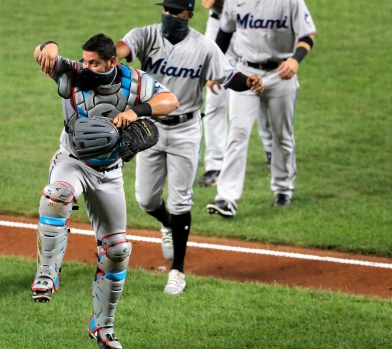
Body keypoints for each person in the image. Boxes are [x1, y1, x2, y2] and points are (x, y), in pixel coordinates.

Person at [32, 33, 179, 349]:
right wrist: (50, 47)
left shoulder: (136, 81)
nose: (87, 67)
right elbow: (42, 51)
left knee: (117, 252)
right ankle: (47, 274)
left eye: (94, 62)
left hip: (109, 173)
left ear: (112, 61)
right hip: (72, 161)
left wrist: (137, 110)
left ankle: (103, 327)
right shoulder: (72, 74)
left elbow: (171, 100)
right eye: (85, 60)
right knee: (57, 194)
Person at [116, 0, 263, 294]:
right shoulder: (146, 35)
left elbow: (229, 75)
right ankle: (169, 224)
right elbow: (124, 48)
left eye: (175, 11)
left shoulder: (204, 46)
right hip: (150, 127)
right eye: (166, 9)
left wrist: (248, 81)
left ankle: (177, 272)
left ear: (189, 15)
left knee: (181, 200)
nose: (169, 15)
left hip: (186, 130)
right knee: (146, 199)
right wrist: (110, 54)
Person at [206, 0, 316, 217]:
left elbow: (307, 36)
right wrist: (216, 69)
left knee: (281, 135)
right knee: (237, 133)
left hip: (280, 73)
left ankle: (283, 188)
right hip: (246, 73)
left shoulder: (291, 2)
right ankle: (226, 198)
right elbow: (225, 33)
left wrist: (295, 60)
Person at [198, 0, 273, 187]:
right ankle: (215, 164)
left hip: (253, 24)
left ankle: (272, 149)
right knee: (215, 99)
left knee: (260, 86)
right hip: (218, 25)